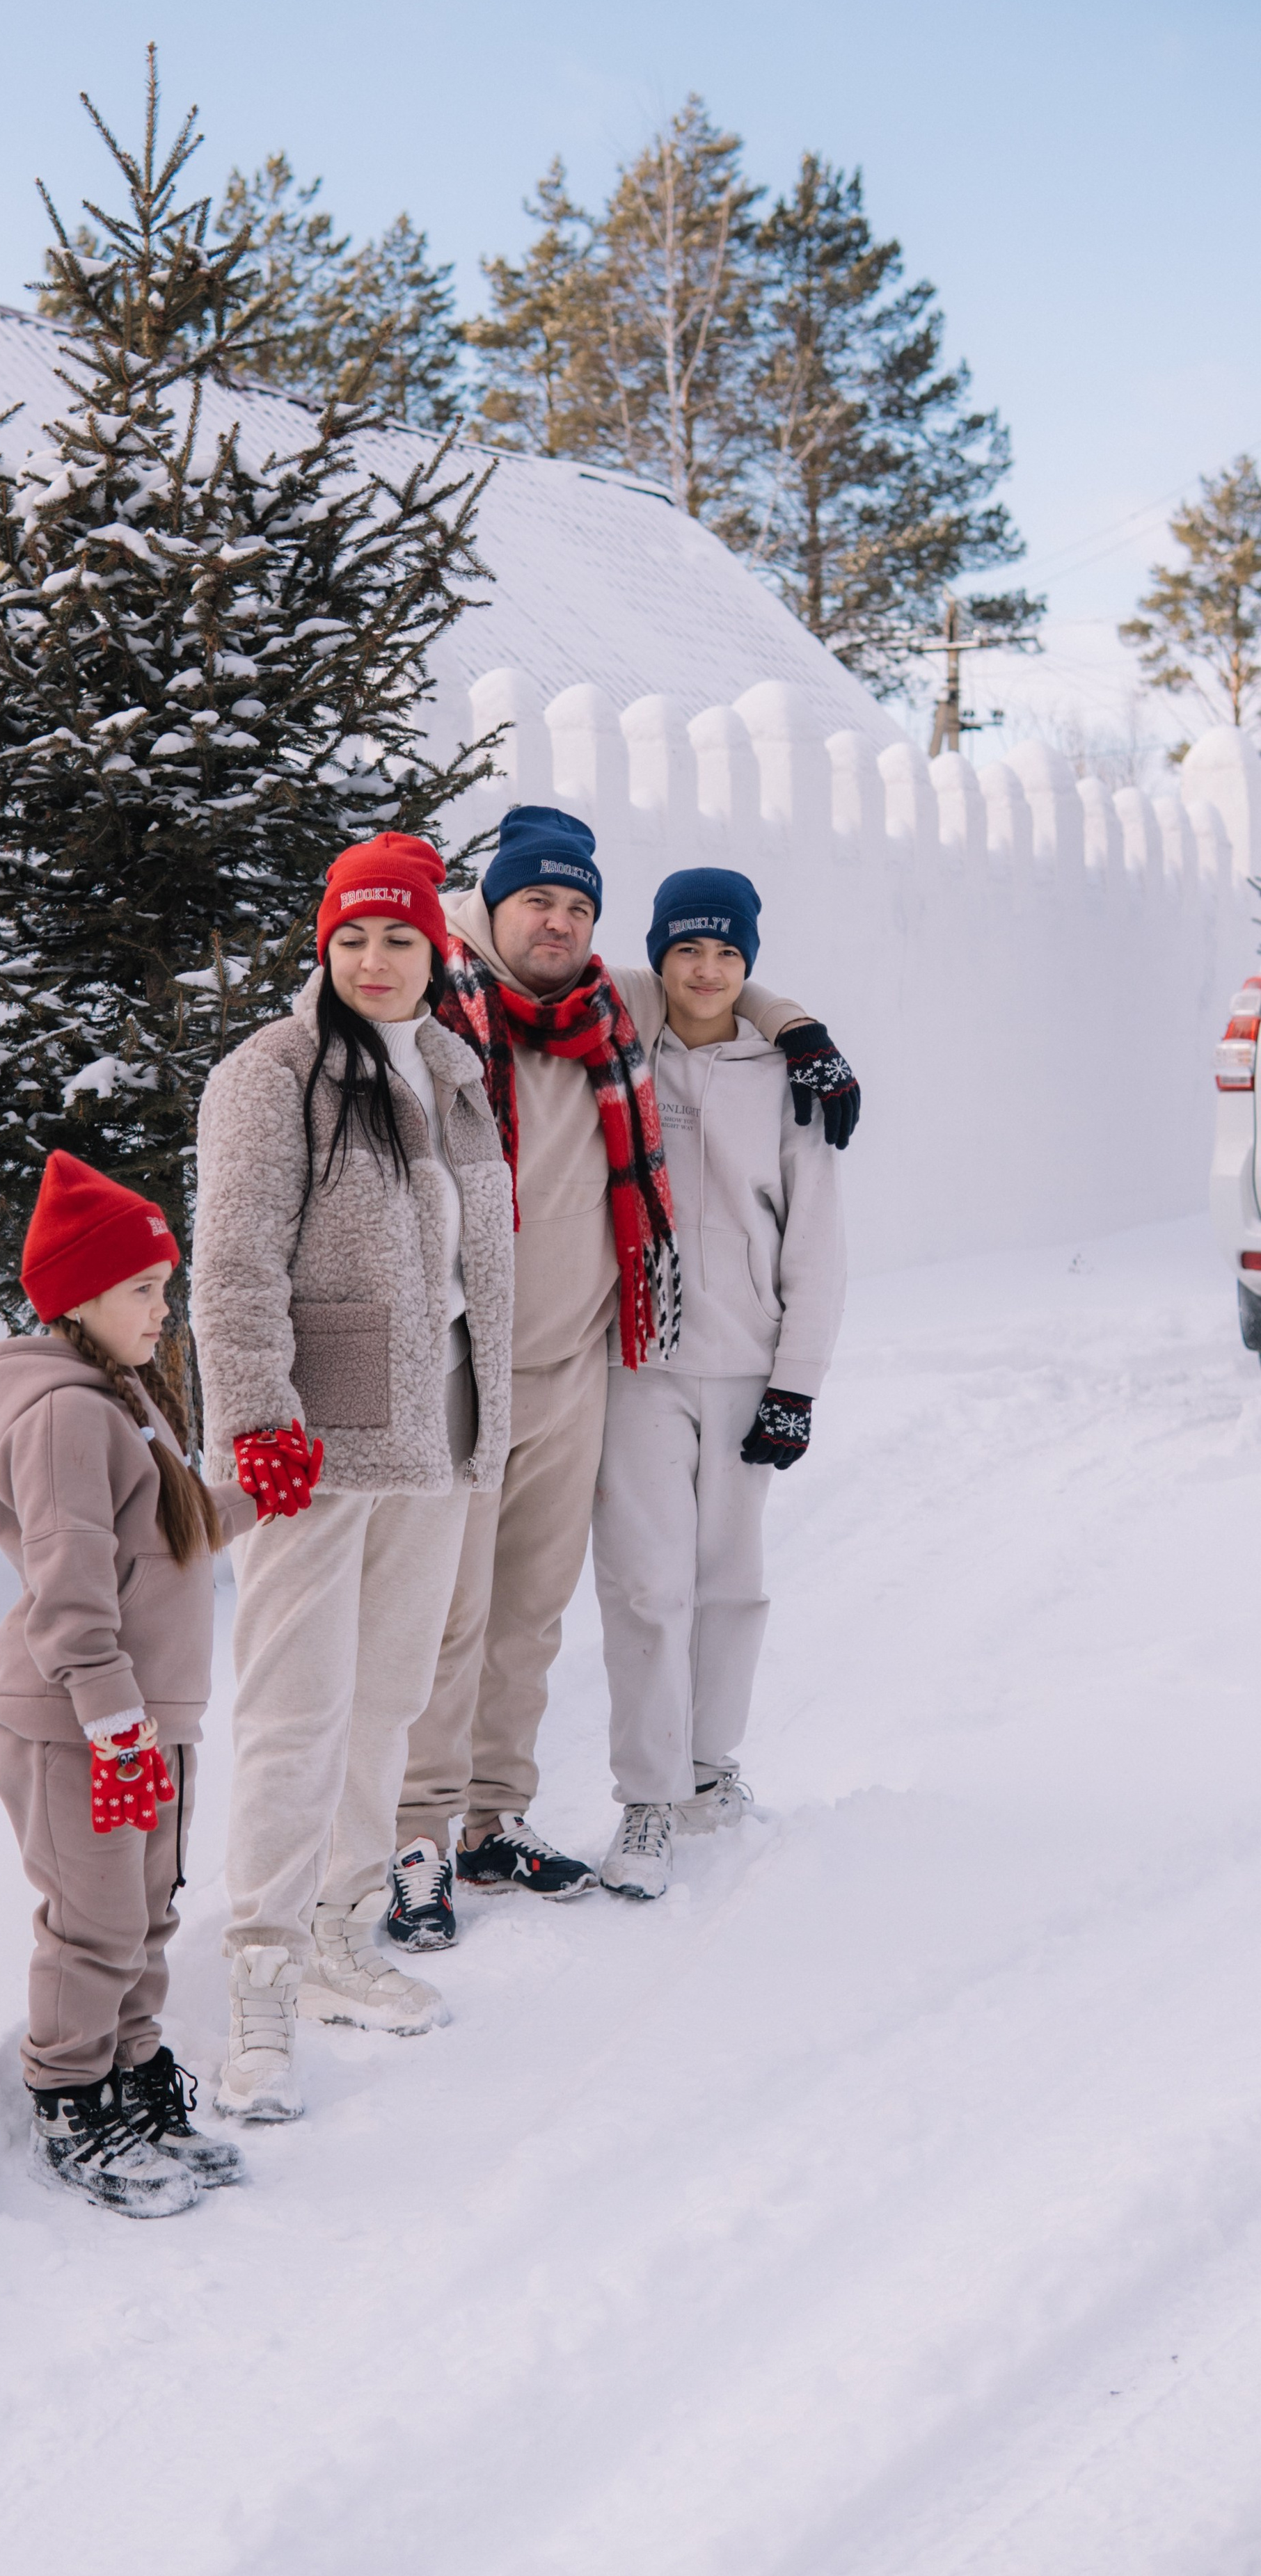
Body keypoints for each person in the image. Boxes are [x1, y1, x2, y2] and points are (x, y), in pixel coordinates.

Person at [389, 806, 859, 1950]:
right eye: (537, 900)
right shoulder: (464, 1003)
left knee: (547, 1611)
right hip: (510, 1363)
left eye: (576, 906)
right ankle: (423, 1832)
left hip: (618, 1357)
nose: (557, 922)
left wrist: (800, 1026)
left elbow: (734, 995)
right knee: (465, 1613)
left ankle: (515, 1813)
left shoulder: (606, 1010)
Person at [191, 831, 514, 2120]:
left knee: (384, 1697)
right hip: (312, 1442)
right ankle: (258, 1982)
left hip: (436, 1419)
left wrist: (496, 1408)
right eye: (353, 938)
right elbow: (230, 1270)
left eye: (401, 938)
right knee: (293, 1709)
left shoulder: (450, 1066)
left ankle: (338, 1933)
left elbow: (481, 1260)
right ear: (321, 949)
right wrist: (258, 1420)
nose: (377, 961)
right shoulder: (270, 1075)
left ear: (437, 951)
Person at [0, 1151, 257, 2218]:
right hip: (83, 1724)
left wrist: (249, 1496)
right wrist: (112, 1719)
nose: (163, 1312)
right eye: (143, 1291)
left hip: (149, 1718)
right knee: (91, 1924)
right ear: (78, 1296)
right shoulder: (64, 1416)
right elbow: (71, 1580)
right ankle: (70, 2097)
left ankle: (132, 2077)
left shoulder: (124, 1400)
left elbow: (162, 1538)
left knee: (147, 1915)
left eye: (165, 1289)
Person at [591, 870, 847, 1896]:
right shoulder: (612, 1045)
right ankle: (646, 1800)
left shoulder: (790, 1079)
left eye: (728, 955)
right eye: (687, 951)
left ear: (750, 961)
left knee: (730, 1582)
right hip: (636, 1363)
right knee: (646, 1585)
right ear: (658, 952)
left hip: (746, 1365)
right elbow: (529, 968)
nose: (706, 971)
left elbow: (817, 1243)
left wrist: (799, 1383)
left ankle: (707, 1771)